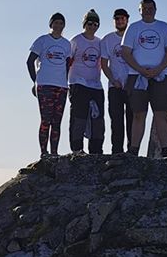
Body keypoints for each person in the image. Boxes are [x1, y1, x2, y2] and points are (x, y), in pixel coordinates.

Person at [120, 0, 167, 157]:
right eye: (144, 8)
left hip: (161, 75)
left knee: (160, 113)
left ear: (155, 9)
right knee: (138, 114)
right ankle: (134, 150)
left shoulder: (164, 27)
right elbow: (125, 52)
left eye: (150, 8)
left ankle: (165, 150)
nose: (148, 11)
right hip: (137, 75)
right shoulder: (133, 28)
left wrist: (158, 69)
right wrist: (140, 69)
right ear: (140, 11)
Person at [27, 14, 71, 158]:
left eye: (61, 23)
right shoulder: (42, 40)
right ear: (51, 24)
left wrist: (66, 82)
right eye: (56, 23)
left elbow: (67, 65)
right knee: (46, 120)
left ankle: (54, 152)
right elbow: (30, 61)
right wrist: (35, 81)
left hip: (61, 86)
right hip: (45, 85)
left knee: (56, 121)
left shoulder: (66, 44)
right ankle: (44, 153)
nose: (58, 26)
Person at [68, 9, 106, 155]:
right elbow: (68, 61)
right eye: (89, 23)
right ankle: (77, 149)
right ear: (84, 24)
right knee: (79, 117)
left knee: (98, 119)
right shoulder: (76, 40)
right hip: (78, 83)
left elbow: (103, 62)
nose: (92, 26)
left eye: (95, 24)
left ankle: (96, 151)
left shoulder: (100, 42)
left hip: (95, 85)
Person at [101, 8, 133, 155]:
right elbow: (104, 64)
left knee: (133, 119)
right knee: (116, 121)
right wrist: (113, 80)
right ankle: (117, 152)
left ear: (127, 20)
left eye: (122, 18)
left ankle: (132, 152)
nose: (120, 21)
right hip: (115, 86)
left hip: (132, 85)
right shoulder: (107, 40)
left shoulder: (134, 36)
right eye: (117, 19)